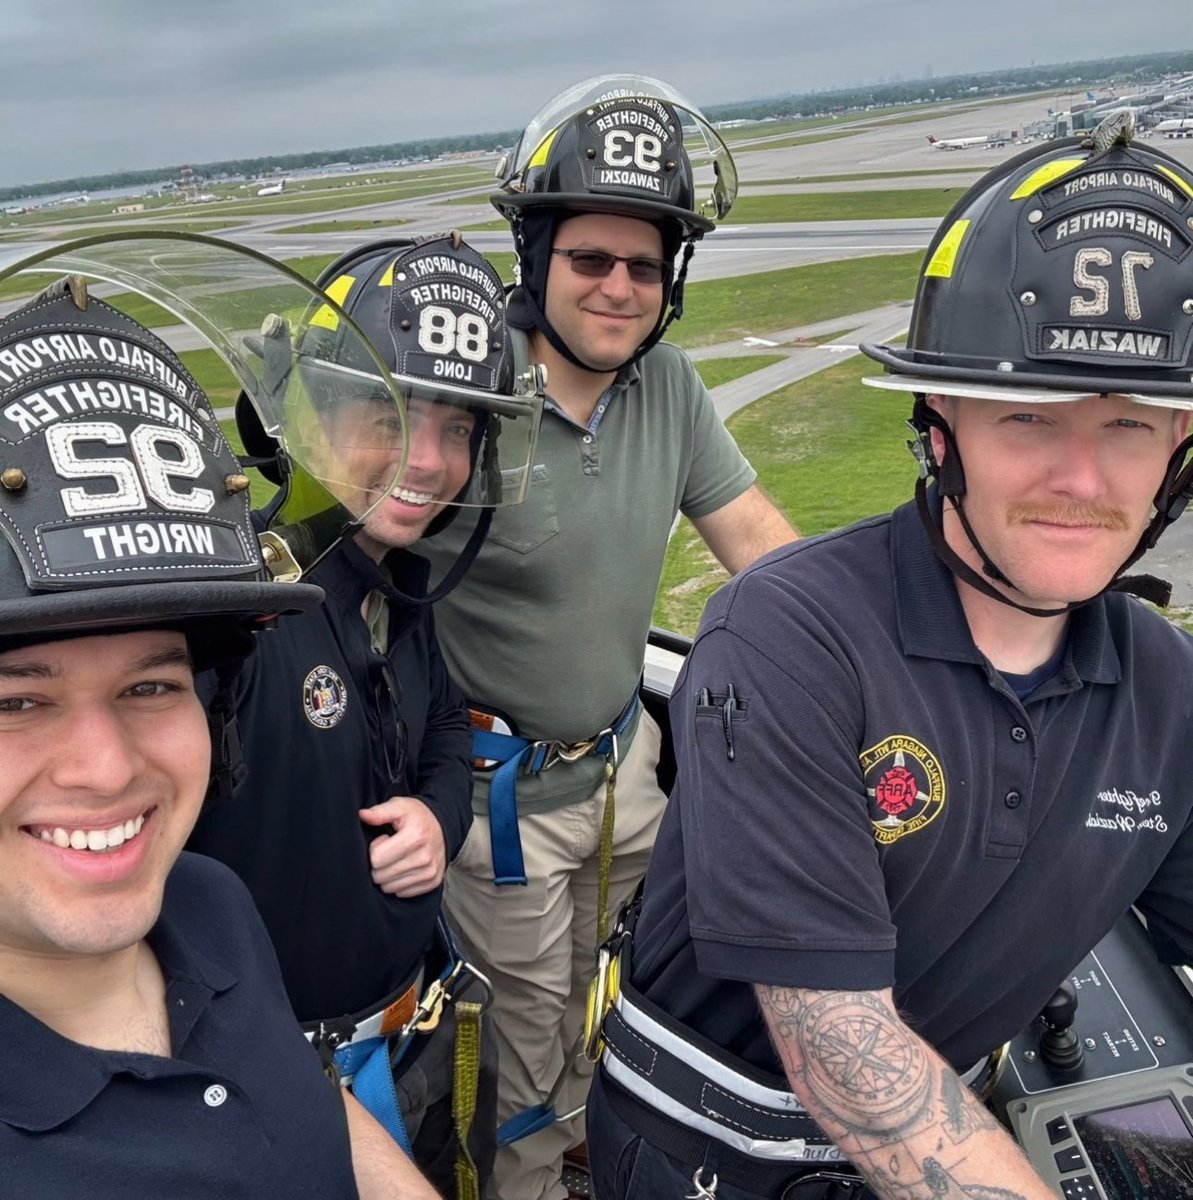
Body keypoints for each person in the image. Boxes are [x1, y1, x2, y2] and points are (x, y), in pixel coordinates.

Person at [583, 115, 1193, 1200]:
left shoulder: (1162, 682)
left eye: (1130, 426)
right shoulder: (786, 636)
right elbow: (836, 1043)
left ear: (1175, 460)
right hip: (711, 1158)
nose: (1080, 480)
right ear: (938, 420)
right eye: (1028, 418)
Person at [418, 77, 798, 1200]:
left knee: (624, 994)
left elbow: (764, 551)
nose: (619, 288)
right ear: (536, 259)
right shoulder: (458, 400)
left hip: (624, 771)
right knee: (522, 1051)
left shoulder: (665, 388)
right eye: (591, 260)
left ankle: (582, 1139)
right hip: (503, 808)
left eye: (644, 266)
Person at [0, 273, 438, 1198]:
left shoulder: (208, 909)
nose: (108, 766)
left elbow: (301, 1096)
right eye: (17, 702)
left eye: (151, 684)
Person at [188, 233, 543, 1199]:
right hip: (274, 1085)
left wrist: (440, 815)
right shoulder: (231, 618)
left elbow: (437, 733)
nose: (427, 462)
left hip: (408, 1033)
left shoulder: (398, 590)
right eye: (384, 413)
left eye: (458, 427)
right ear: (302, 409)